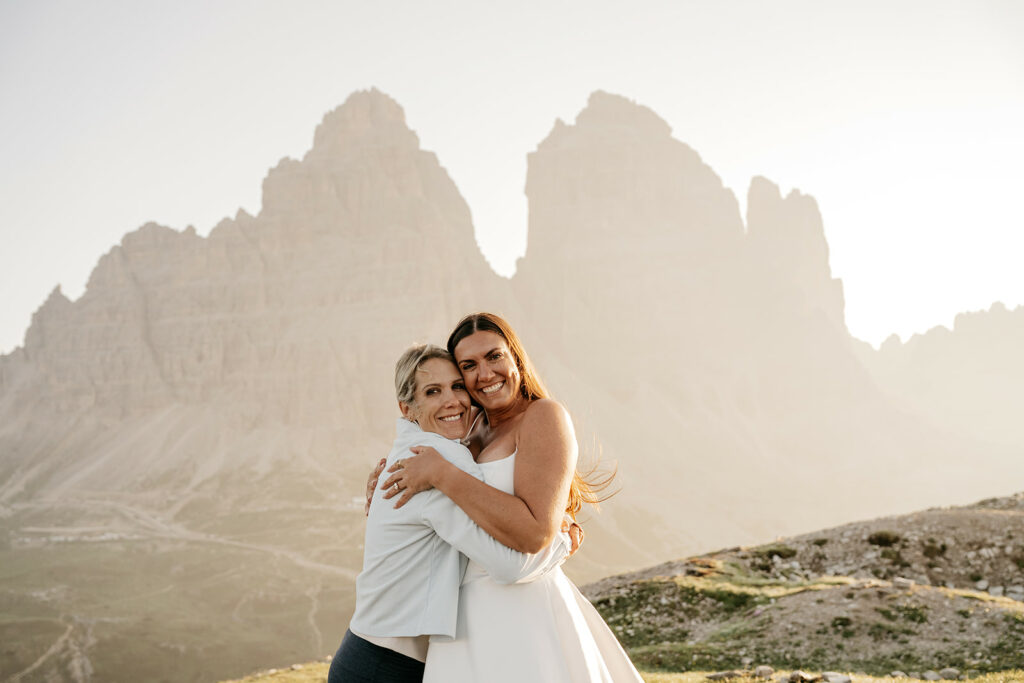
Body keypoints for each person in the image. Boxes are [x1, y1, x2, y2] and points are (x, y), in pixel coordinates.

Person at [380, 312, 643, 682]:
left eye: (494, 356)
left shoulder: (543, 416)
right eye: (468, 366)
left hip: (525, 610)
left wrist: (442, 474)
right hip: (462, 620)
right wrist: (391, 471)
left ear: (515, 358)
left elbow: (534, 534)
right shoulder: (469, 430)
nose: (484, 374)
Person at [329, 344, 575, 683]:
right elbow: (507, 566)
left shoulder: (420, 452)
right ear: (408, 408)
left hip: (370, 654)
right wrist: (561, 538)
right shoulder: (434, 465)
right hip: (384, 668)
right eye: (433, 391)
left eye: (458, 386)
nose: (453, 401)